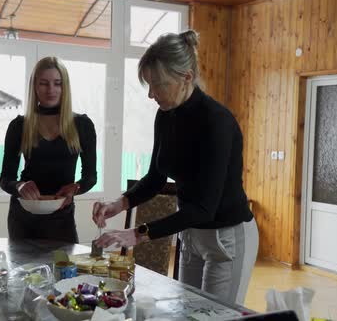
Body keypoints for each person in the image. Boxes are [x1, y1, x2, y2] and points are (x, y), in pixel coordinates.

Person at [92, 30, 258, 305]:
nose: (151, 94)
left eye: (158, 84)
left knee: (213, 314)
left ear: (187, 78)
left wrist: (137, 234)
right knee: (186, 311)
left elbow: (204, 208)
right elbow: (156, 177)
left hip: (227, 238)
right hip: (191, 234)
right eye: (149, 84)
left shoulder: (217, 122)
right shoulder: (165, 115)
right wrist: (120, 203)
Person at [0, 56, 97, 243]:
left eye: (57, 83)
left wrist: (76, 188)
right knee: (23, 272)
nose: (51, 90)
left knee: (65, 271)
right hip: (23, 217)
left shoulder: (82, 125)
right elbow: (6, 179)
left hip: (62, 218)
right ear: (35, 87)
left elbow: (90, 177)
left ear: (65, 87)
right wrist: (19, 186)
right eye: (44, 83)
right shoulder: (19, 125)